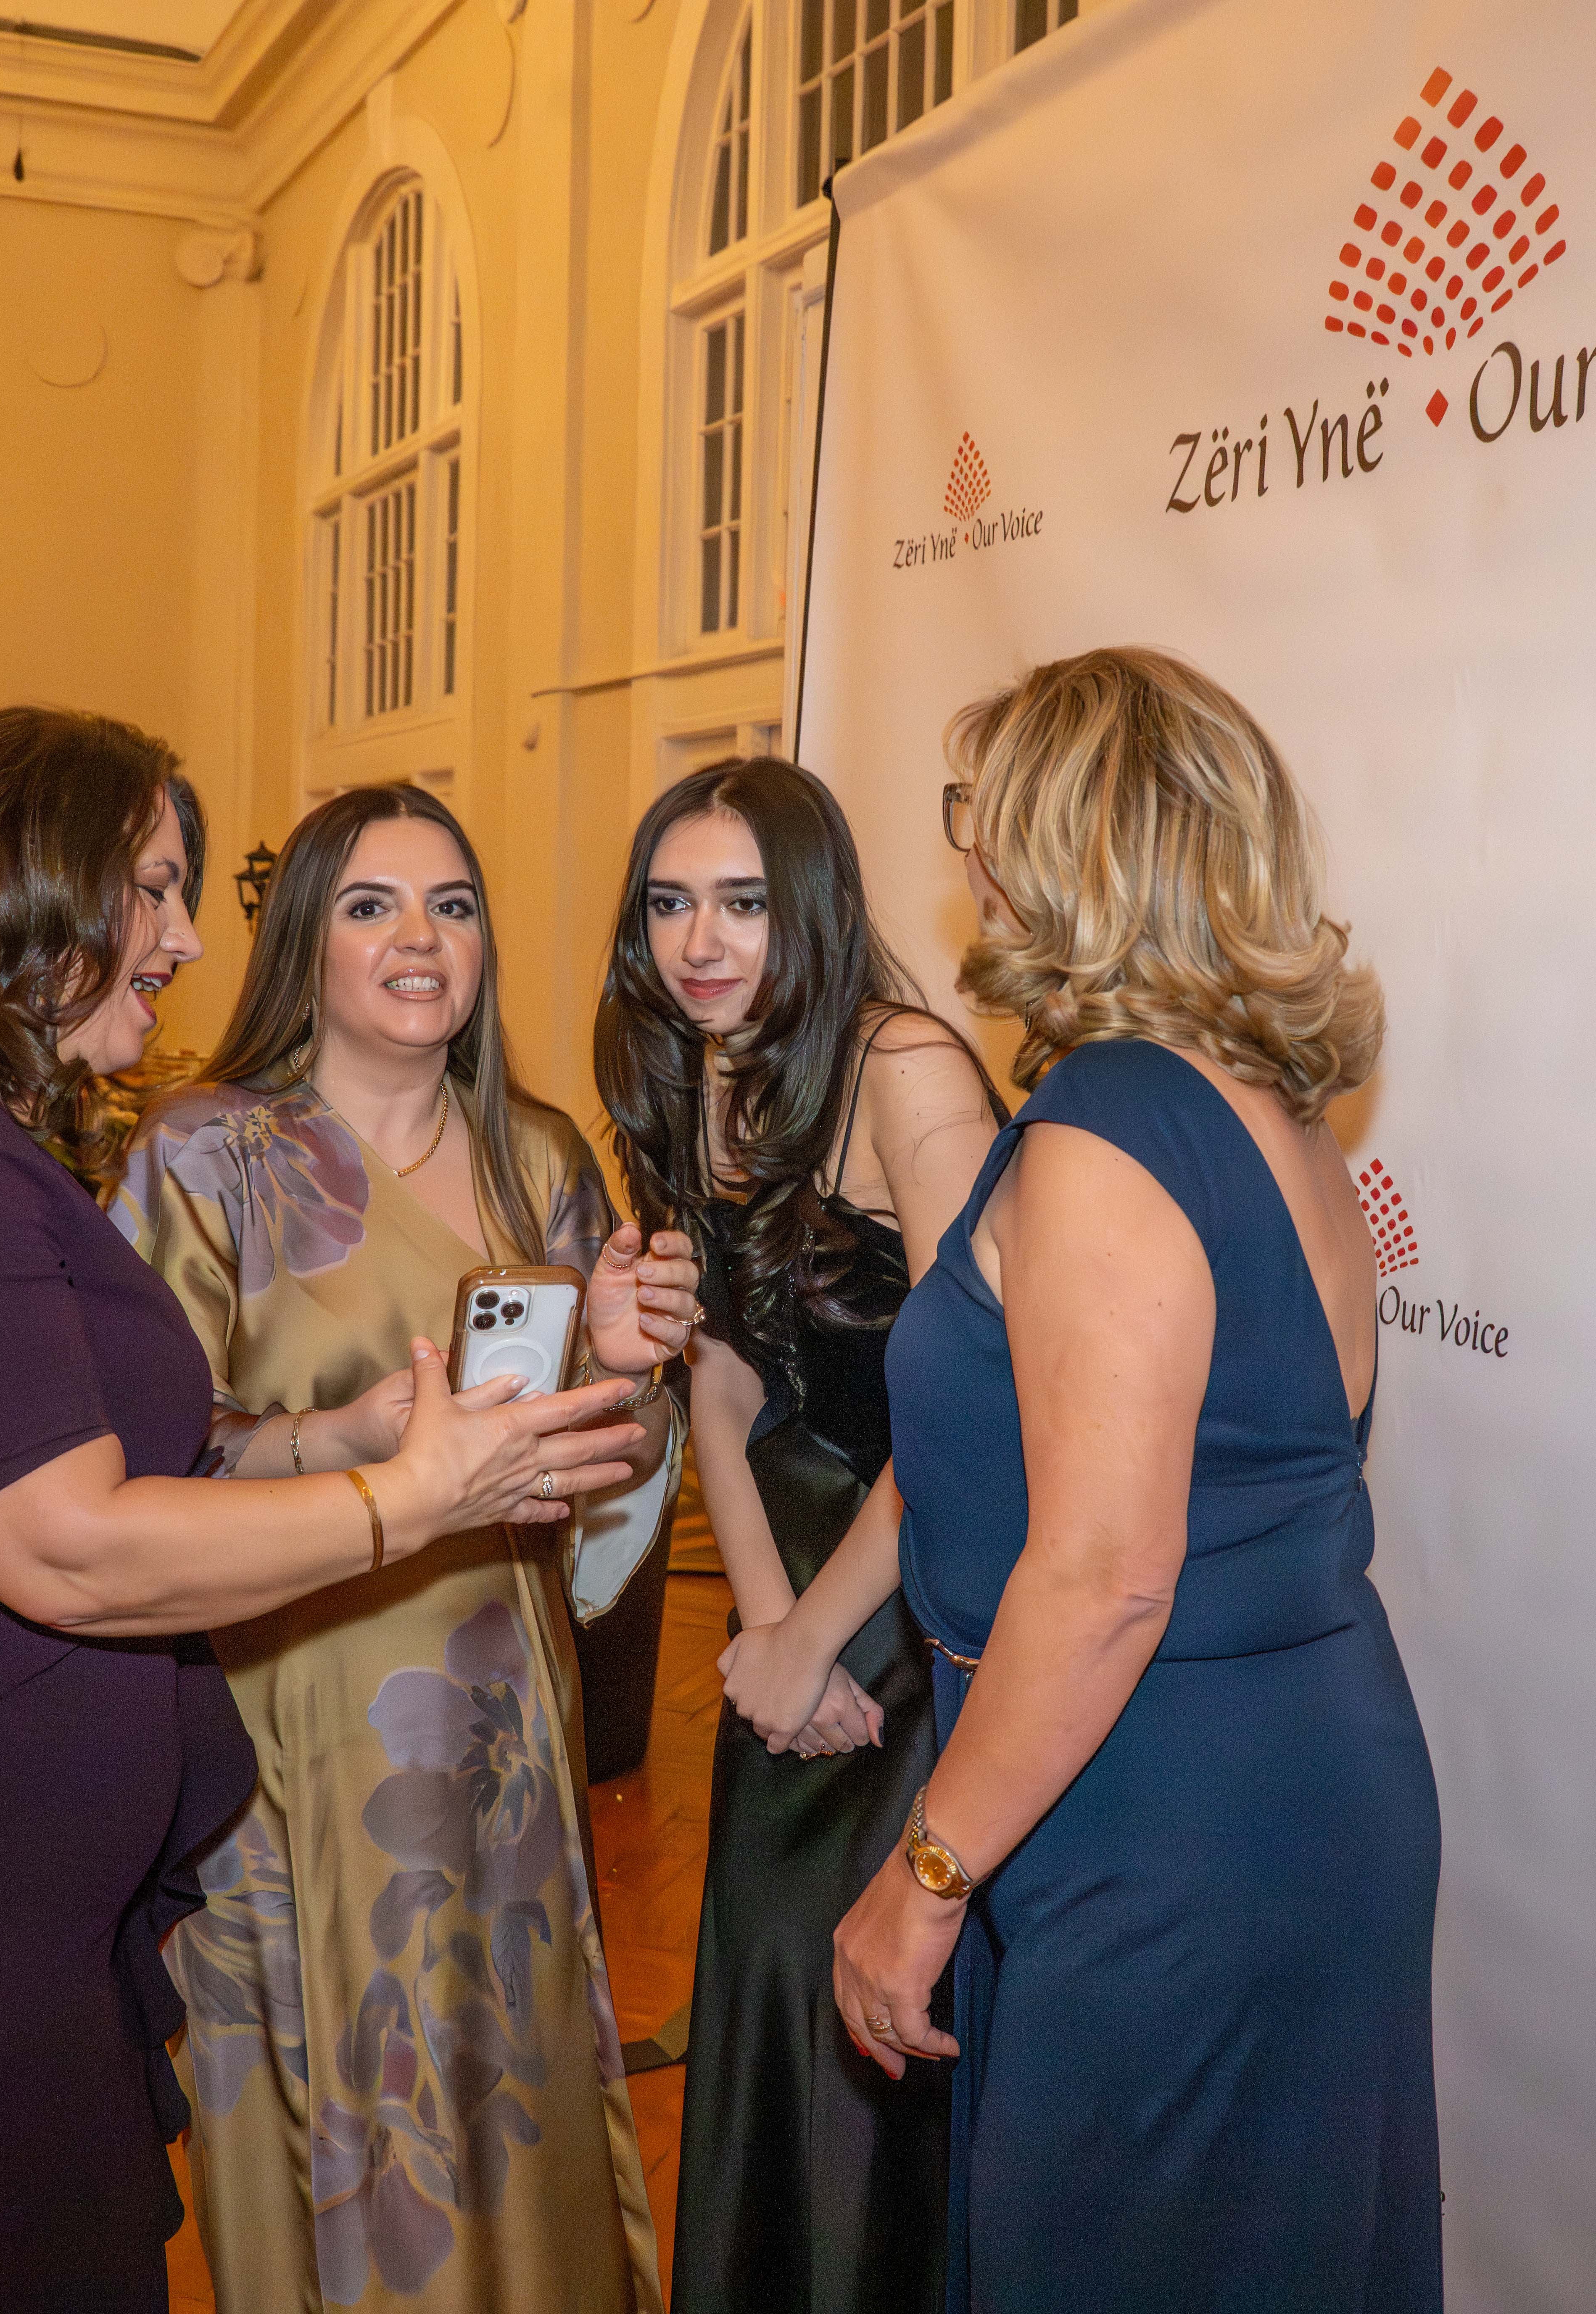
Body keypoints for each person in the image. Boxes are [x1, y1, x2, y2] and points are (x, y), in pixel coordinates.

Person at [0, 708, 648, 2312]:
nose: (185, 935)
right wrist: (410, 1494)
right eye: (157, 888)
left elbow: (125, 1467)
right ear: (30, 890)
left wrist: (345, 1436)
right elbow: (72, 1544)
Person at [834, 650, 1443, 2312]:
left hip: (1163, 1813)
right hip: (1266, 1790)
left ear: (1058, 845)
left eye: (980, 813)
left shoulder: (1110, 1123)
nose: (964, 850)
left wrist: (923, 1875)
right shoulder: (1275, 1117)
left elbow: (1104, 1572)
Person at [111, 782, 695, 2314]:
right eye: (371, 906)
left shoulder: (543, 1162)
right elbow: (140, 1470)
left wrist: (627, 1369)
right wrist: (361, 1438)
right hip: (290, 1710)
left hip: (497, 1714)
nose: (419, 939)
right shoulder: (205, 1161)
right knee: (329, 2109)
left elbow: (595, 1488)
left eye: (451, 904)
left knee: (513, 2091)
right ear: (306, 942)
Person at [594, 760, 1002, 2314]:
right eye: (673, 901)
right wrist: (762, 1636)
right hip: (794, 1607)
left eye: (745, 903)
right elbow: (720, 1378)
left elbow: (976, 1415)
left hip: (925, 1598)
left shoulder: (905, 1069)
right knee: (769, 1984)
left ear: (814, 905)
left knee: (875, 2028)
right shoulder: (703, 1070)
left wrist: (819, 1633)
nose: (703, 940)